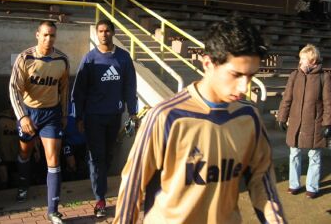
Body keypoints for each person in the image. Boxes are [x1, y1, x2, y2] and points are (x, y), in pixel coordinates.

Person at [114, 20, 286, 224]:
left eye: (250, 76)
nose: (244, 87)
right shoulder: (166, 117)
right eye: (236, 74)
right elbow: (133, 187)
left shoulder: (249, 117)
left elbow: (262, 180)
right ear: (208, 63)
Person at [72, 19, 138, 218]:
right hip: (93, 117)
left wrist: (132, 112)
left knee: (107, 155)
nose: (103, 34)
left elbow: (130, 87)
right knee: (97, 156)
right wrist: (79, 117)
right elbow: (79, 91)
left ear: (113, 33)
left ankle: (98, 180)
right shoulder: (90, 59)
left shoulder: (124, 58)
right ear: (97, 34)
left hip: (114, 116)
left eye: (107, 31)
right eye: (100, 31)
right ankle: (100, 199)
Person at [9, 21, 70, 224]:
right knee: (25, 152)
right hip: (29, 113)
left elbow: (64, 90)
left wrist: (64, 114)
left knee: (53, 159)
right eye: (45, 35)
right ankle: (23, 185)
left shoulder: (62, 59)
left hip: (51, 114)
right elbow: (14, 89)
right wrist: (22, 116)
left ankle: (53, 210)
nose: (48, 39)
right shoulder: (24, 58)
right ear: (37, 35)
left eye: (52, 36)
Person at [277, 44, 331, 199]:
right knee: (294, 154)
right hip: (296, 123)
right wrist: (282, 117)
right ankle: (294, 184)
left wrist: (327, 124)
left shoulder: (324, 77)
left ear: (312, 60)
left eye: (303, 59)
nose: (300, 62)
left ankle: (312, 187)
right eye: (300, 59)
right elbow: (287, 98)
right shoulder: (294, 75)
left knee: (315, 156)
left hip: (315, 124)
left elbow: (328, 103)